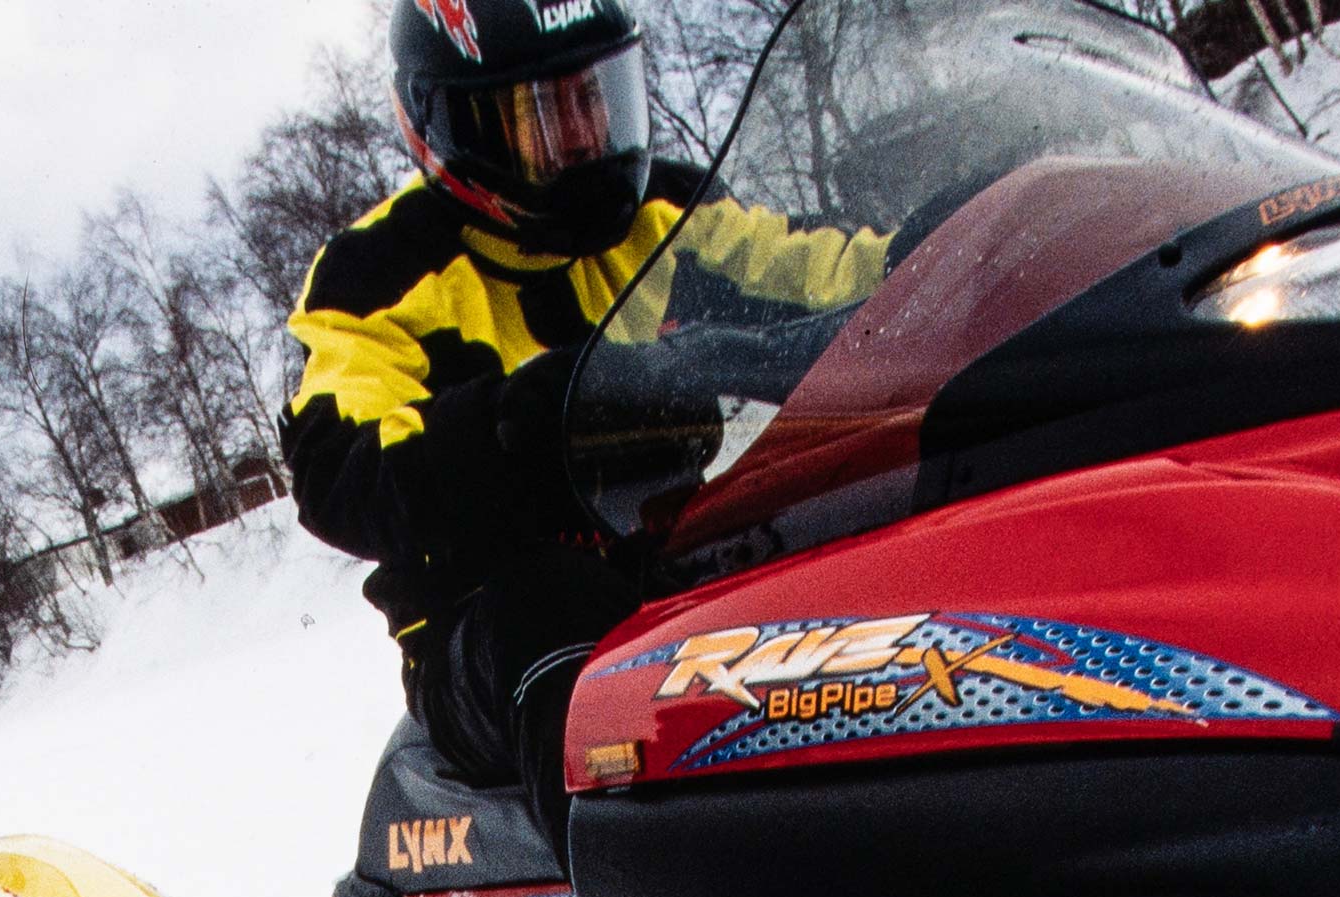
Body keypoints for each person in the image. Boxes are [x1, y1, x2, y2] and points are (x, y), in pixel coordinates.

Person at [282, 0, 890, 798]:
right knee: (552, 604)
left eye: (594, 96)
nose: (583, 134)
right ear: (465, 127)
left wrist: (952, 242)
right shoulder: (377, 275)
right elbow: (341, 466)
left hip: (672, 560)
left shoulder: (666, 214)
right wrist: (505, 431)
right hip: (488, 631)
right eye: (544, 111)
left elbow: (812, 266)